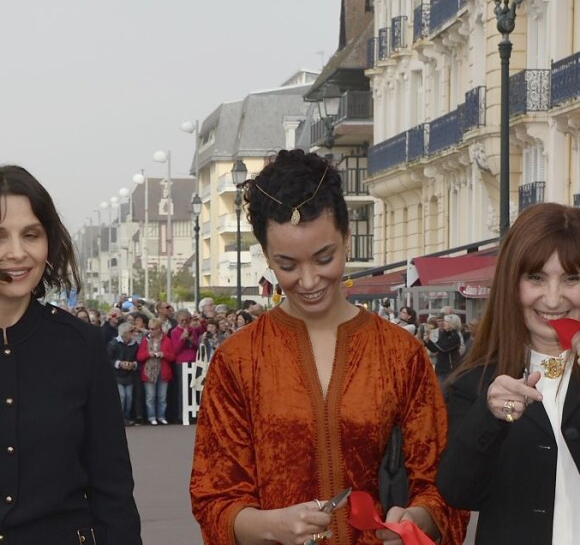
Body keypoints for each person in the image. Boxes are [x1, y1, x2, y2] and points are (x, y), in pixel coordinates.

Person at [190, 149, 467, 544]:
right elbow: (213, 497)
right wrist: (272, 526)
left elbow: (443, 483)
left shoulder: (400, 353)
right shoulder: (237, 360)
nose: (308, 280)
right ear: (267, 257)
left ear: (347, 239)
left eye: (324, 257)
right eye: (287, 265)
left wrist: (414, 520)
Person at [0, 165, 141, 543]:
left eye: (31, 235)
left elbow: (112, 491)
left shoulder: (81, 344)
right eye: (0, 236)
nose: (16, 253)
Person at [436, 202, 580, 544]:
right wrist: (490, 417)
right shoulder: (475, 381)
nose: (553, 298)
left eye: (572, 278)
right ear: (512, 284)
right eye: (536, 277)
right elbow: (457, 492)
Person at [137, 317, 175, 425]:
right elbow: (139, 357)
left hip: (163, 371)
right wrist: (147, 354)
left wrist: (164, 354)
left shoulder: (167, 340)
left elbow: (172, 357)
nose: (151, 331)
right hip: (149, 372)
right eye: (149, 328)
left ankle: (161, 416)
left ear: (159, 329)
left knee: (162, 397)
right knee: (150, 397)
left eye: (153, 329)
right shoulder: (145, 341)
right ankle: (151, 417)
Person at [108, 322, 139, 426]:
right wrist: (119, 363)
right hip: (116, 375)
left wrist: (133, 364)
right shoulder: (114, 343)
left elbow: (137, 358)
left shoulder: (134, 344)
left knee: (129, 397)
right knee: (121, 396)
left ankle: (126, 416)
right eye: (131, 332)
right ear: (125, 333)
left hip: (129, 375)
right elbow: (108, 359)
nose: (133, 334)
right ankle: (119, 418)